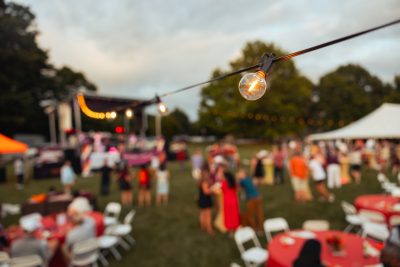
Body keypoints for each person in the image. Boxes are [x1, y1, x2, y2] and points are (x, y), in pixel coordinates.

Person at [237, 169, 263, 233]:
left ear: (243, 174)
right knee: (259, 214)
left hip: (252, 199)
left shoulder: (242, 181)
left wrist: (238, 178)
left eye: (240, 173)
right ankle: (260, 228)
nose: (239, 174)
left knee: (249, 215)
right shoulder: (250, 178)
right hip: (258, 197)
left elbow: (236, 186)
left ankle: (255, 229)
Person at [197, 163, 214, 235]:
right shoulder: (204, 182)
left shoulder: (200, 181)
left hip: (201, 199)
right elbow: (206, 192)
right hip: (205, 199)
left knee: (202, 213)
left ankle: (203, 226)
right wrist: (212, 190)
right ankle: (209, 229)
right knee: (208, 215)